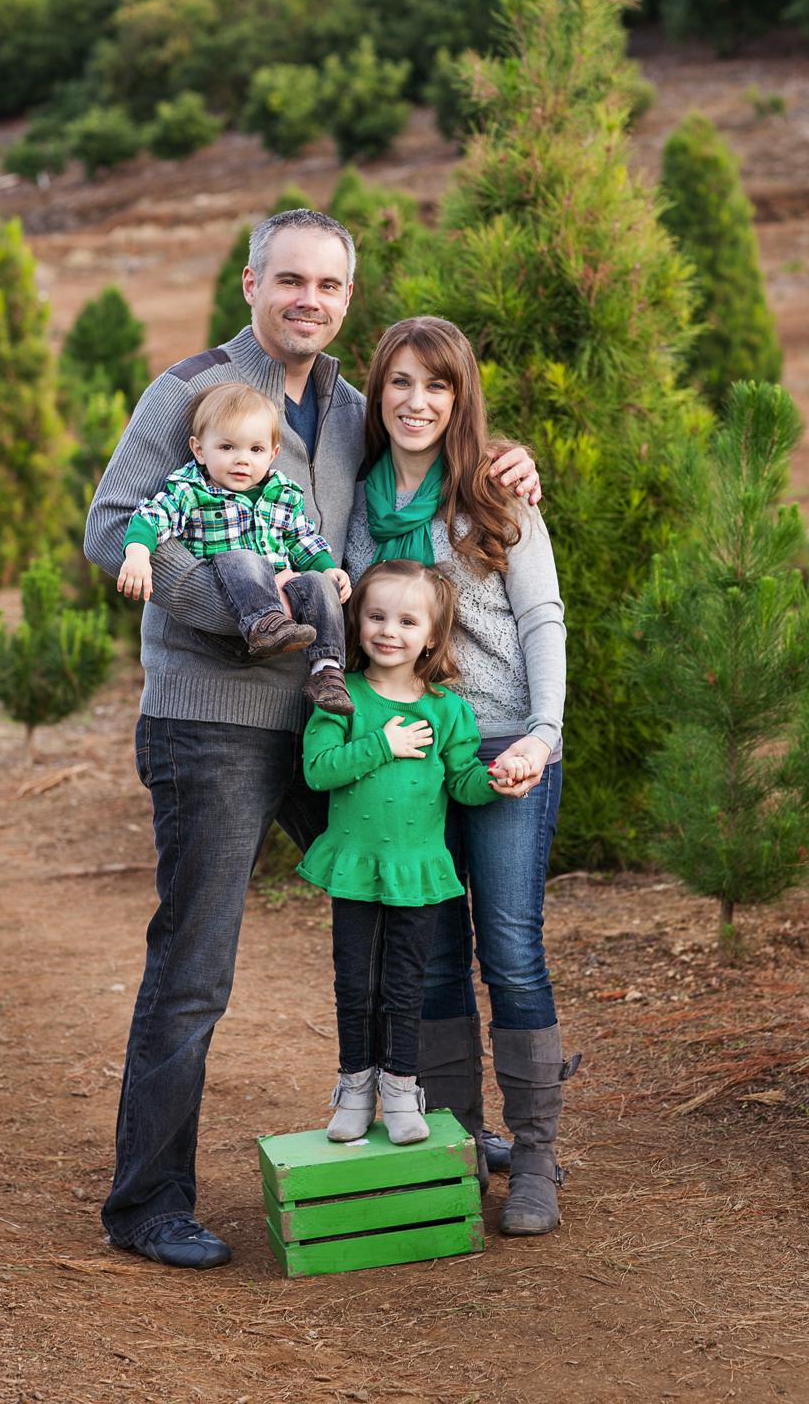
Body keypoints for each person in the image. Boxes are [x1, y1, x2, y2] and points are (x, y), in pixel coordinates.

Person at [84, 208, 541, 1270]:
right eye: (288, 280)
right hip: (213, 722)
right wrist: (257, 625)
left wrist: (506, 458)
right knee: (195, 967)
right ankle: (148, 1203)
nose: (309, 300)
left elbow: (431, 450)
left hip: (336, 717)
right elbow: (115, 527)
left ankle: (445, 1136)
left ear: (346, 296)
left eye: (329, 286)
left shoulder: (348, 405)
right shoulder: (190, 391)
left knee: (412, 898)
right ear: (251, 284)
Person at [344, 315, 577, 1238]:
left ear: (461, 398)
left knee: (510, 949)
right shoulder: (352, 505)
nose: (416, 402)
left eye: (436, 386)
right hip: (411, 764)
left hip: (506, 748)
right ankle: (454, 1142)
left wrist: (545, 736)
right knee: (430, 956)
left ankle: (535, 1154)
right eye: (399, 383)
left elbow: (542, 621)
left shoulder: (495, 495)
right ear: (379, 393)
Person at [297, 561, 532, 1145]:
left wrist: (495, 779)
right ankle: (355, 1089)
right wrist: (385, 742)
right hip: (356, 865)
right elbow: (318, 771)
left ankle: (402, 1088)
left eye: (407, 620)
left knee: (406, 986)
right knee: (356, 984)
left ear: (432, 635)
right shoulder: (340, 696)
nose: (388, 631)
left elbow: (460, 782)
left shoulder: (447, 709)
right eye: (376, 616)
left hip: (418, 868)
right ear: (357, 622)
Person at [117, 382, 354, 715]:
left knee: (319, 585)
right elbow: (152, 517)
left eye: (255, 450)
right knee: (244, 558)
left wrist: (329, 568)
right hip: (234, 586)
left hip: (283, 582)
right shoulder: (192, 491)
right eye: (227, 447)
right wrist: (138, 554)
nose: (242, 460)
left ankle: (326, 670)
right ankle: (265, 624)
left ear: (272, 453)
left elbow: (302, 540)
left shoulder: (282, 493)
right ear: (199, 450)